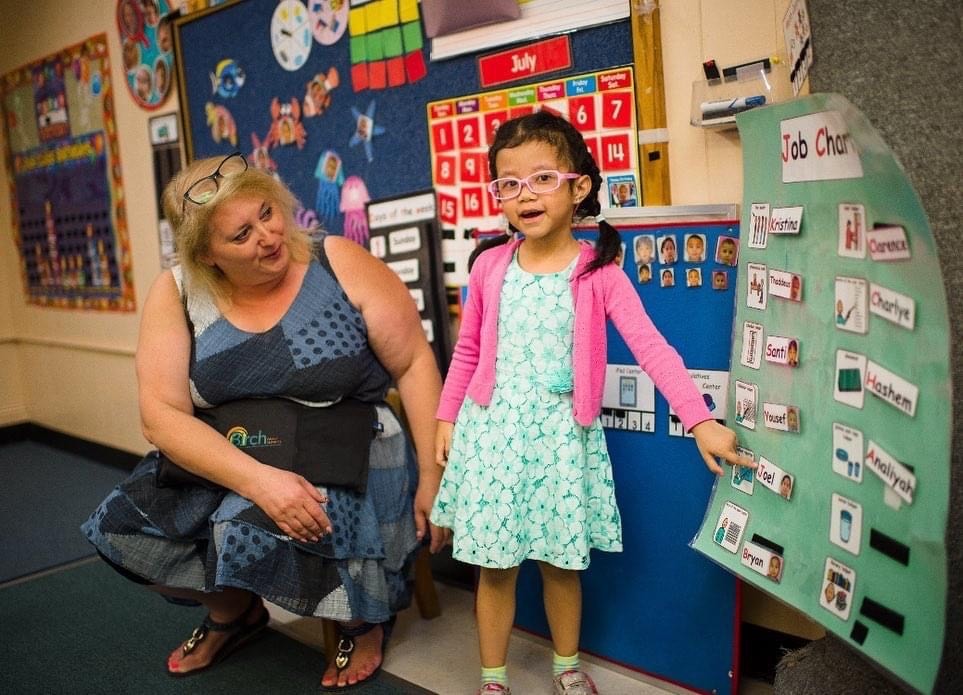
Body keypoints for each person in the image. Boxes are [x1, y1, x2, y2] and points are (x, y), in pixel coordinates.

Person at [80, 152, 447, 689]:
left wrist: (437, 479)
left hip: (344, 440)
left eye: (268, 214)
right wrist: (260, 480)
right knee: (126, 525)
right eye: (242, 234)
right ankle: (236, 613)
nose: (269, 237)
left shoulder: (336, 260)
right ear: (206, 255)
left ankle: (360, 619)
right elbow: (160, 416)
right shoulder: (177, 291)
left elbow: (414, 361)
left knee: (249, 524)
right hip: (238, 448)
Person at [429, 112, 748, 695]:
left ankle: (566, 666)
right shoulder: (490, 267)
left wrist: (701, 420)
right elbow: (469, 349)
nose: (525, 194)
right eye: (509, 183)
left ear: (578, 188)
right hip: (492, 434)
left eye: (542, 178)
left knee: (561, 562)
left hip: (560, 439)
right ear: (498, 196)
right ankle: (493, 679)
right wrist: (446, 416)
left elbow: (652, 346)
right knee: (494, 567)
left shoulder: (598, 271)